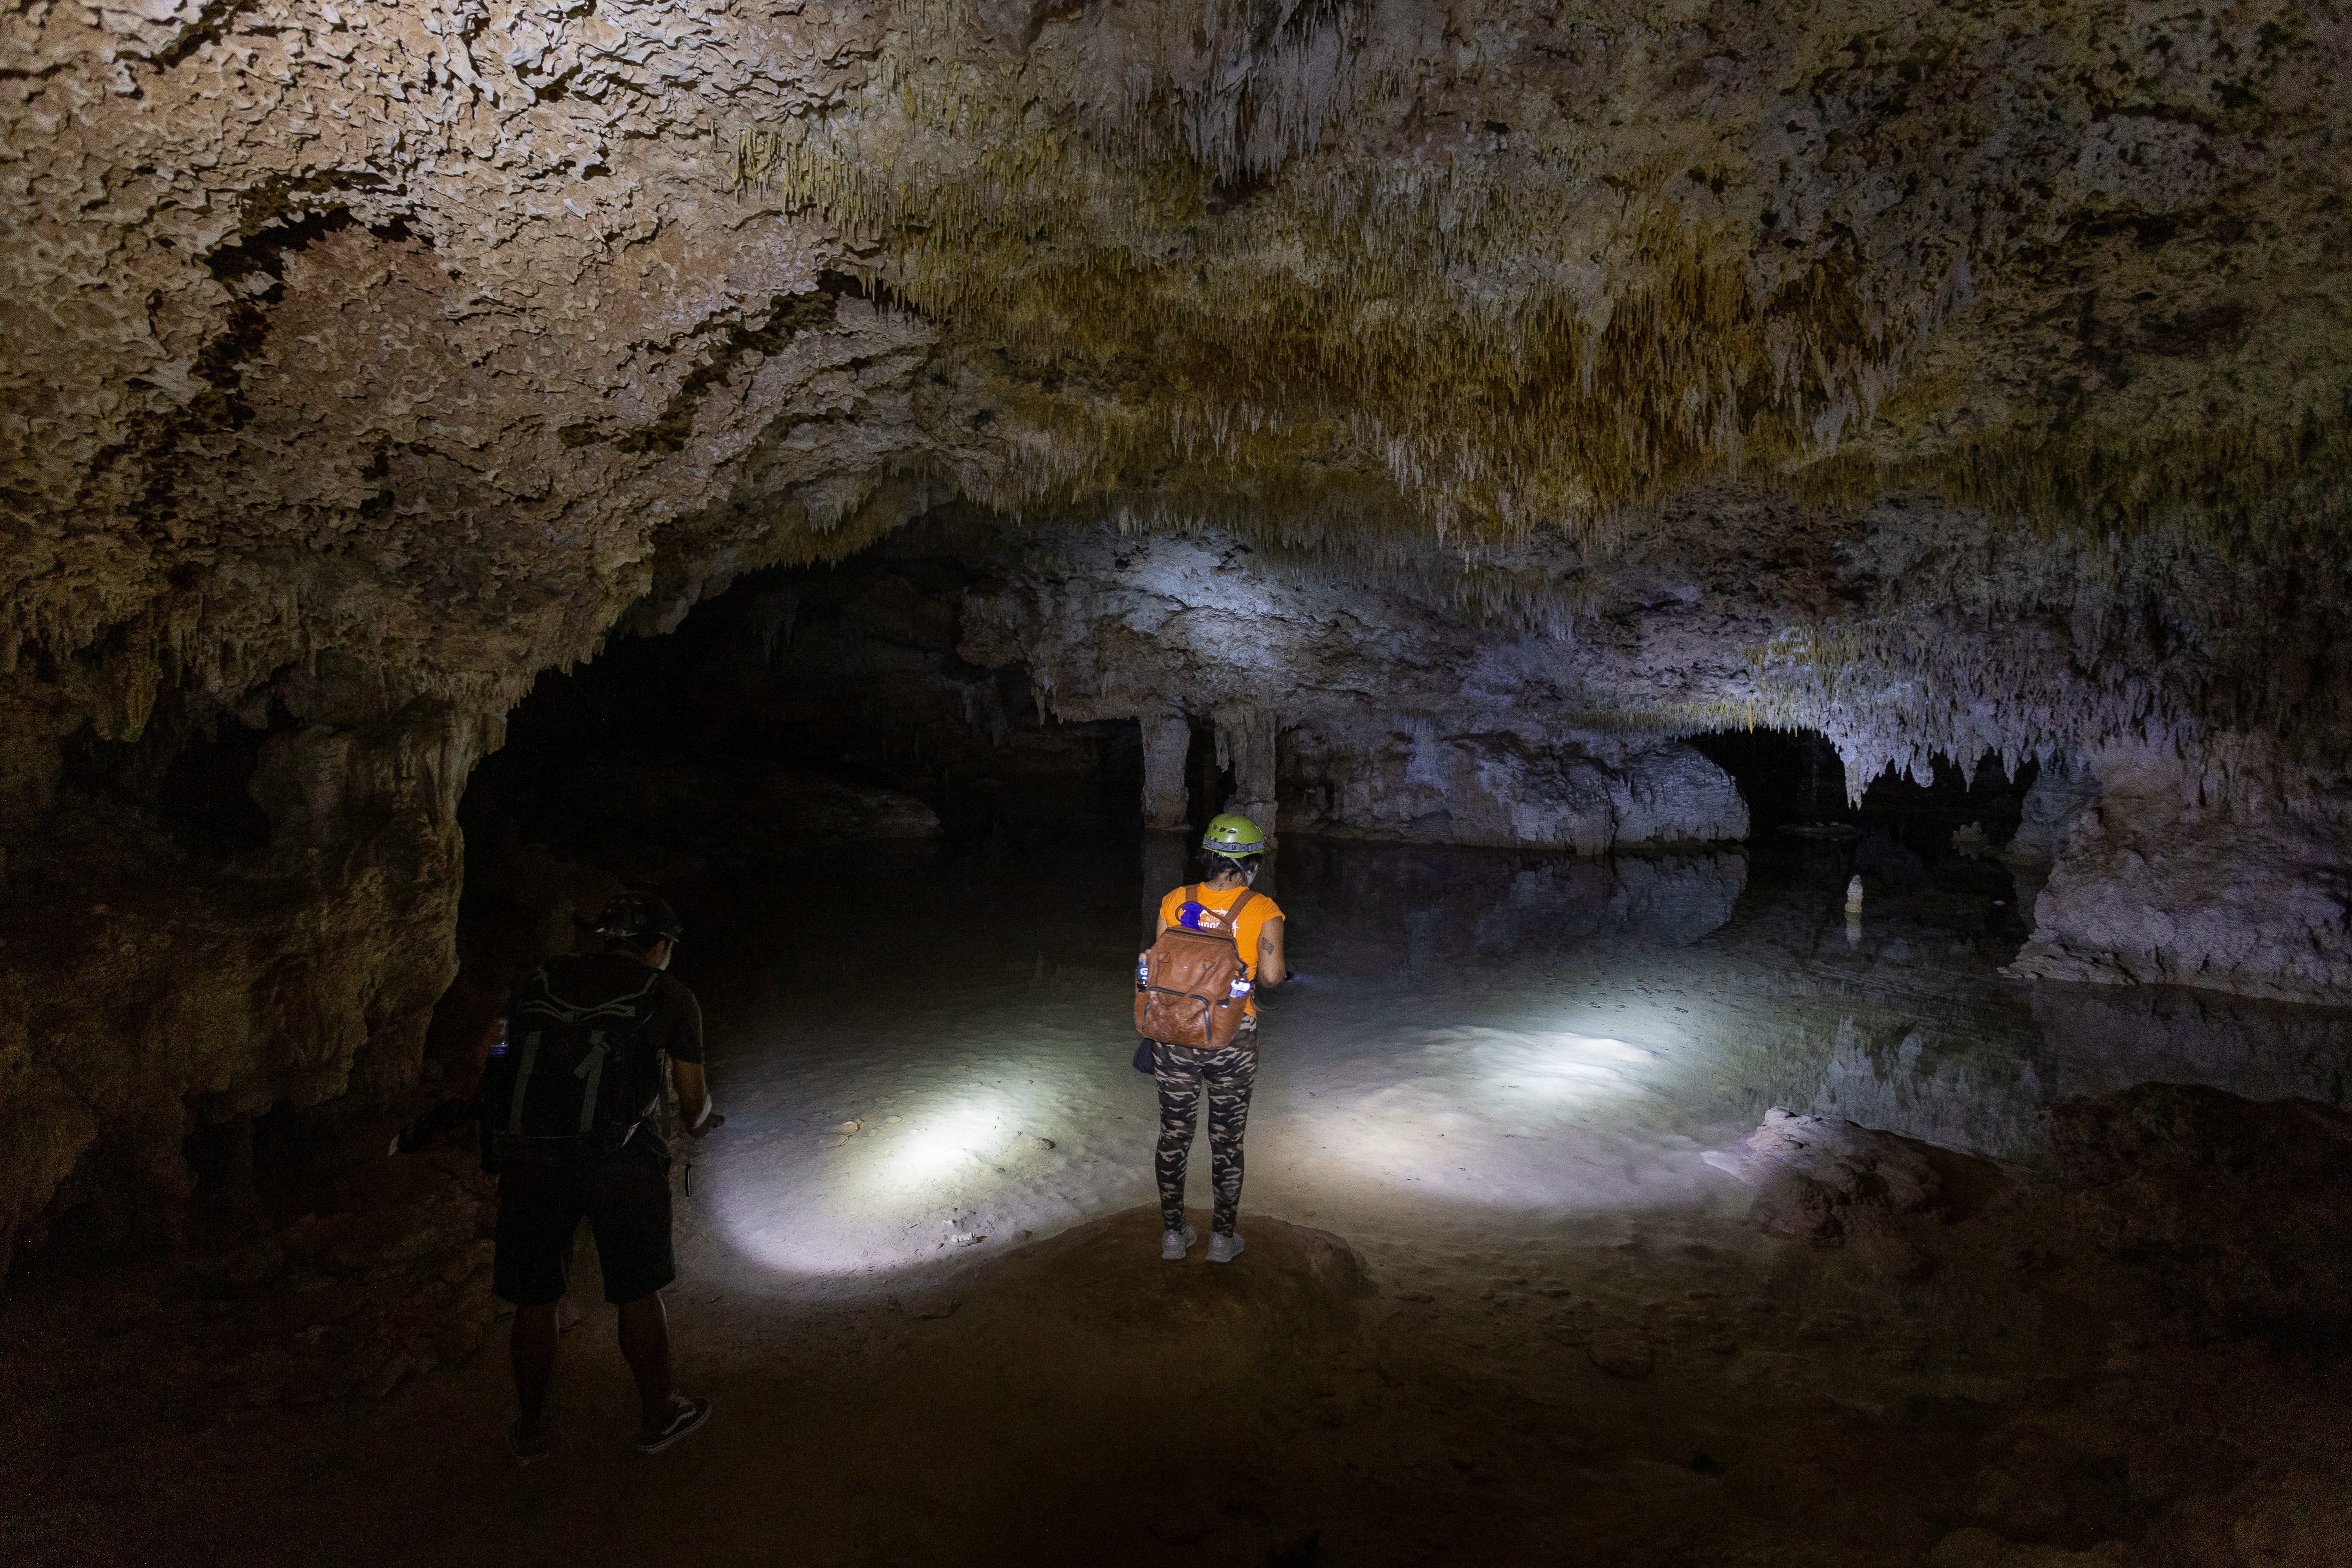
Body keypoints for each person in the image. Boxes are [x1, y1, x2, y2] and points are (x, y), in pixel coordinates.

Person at [484, 891, 724, 1464]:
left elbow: (495, 1056)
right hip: (622, 1161)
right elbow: (692, 1105)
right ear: (659, 947)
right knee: (638, 1291)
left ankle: (533, 1429)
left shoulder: (539, 980)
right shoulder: (669, 995)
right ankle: (658, 1414)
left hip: (533, 1157)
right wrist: (702, 1119)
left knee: (535, 1298)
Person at [1145, 813, 1288, 1264]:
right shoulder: (1263, 910)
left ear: (1209, 857)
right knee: (1227, 1141)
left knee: (1174, 1134)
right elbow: (1271, 976)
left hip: (1175, 1035)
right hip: (1232, 1039)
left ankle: (1173, 1236)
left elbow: (1159, 970)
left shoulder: (1174, 901)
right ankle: (1222, 1241)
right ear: (1248, 863)